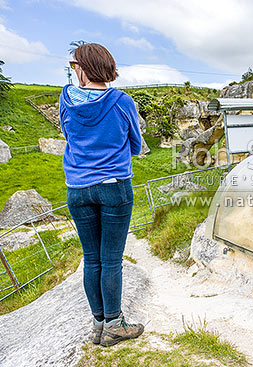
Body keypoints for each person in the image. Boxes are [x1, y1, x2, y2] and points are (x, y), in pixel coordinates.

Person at [59, 42, 144, 347]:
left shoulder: (65, 100)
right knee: (111, 259)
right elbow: (135, 145)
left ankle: (98, 325)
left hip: (77, 188)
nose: (74, 71)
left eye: (74, 65)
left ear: (83, 68)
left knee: (91, 258)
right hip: (114, 187)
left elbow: (68, 135)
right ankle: (115, 325)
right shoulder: (121, 101)